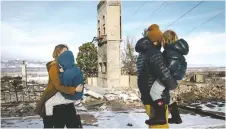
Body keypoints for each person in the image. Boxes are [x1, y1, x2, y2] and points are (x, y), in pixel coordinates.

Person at [135, 24, 178, 128]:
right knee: (160, 126)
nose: (162, 42)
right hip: (158, 100)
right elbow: (165, 74)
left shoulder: (143, 54)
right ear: (156, 40)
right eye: (160, 39)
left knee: (155, 125)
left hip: (147, 98)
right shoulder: (154, 53)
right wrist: (173, 85)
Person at [145, 30, 189, 125]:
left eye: (162, 40)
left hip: (169, 77)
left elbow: (167, 68)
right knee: (167, 96)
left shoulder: (170, 51)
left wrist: (161, 73)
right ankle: (176, 117)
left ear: (165, 40)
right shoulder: (177, 50)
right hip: (176, 77)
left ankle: (160, 117)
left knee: (155, 92)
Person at [34, 44, 83, 128]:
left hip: (65, 98)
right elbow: (58, 86)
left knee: (72, 124)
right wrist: (74, 89)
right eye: (64, 51)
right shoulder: (54, 66)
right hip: (56, 100)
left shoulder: (65, 65)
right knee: (59, 124)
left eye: (67, 51)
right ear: (58, 53)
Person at [45, 50, 84, 117]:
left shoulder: (67, 72)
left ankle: (50, 120)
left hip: (72, 96)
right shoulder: (75, 68)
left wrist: (61, 74)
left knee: (48, 103)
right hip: (78, 94)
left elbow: (64, 85)